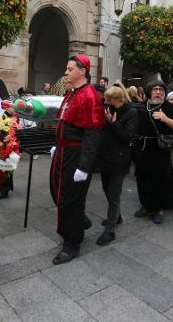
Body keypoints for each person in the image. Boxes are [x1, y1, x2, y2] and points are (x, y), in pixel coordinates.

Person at [49, 55, 104, 265]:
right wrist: (57, 144)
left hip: (76, 156)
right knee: (59, 192)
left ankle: (71, 243)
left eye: (70, 69)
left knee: (70, 200)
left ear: (82, 71)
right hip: (63, 151)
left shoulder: (89, 95)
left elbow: (92, 134)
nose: (65, 72)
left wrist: (84, 166)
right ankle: (79, 222)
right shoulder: (71, 93)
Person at [133, 80, 173, 224]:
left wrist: (165, 118)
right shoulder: (142, 106)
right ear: (149, 91)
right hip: (142, 148)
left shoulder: (169, 108)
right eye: (155, 89)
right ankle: (145, 205)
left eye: (161, 89)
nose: (158, 92)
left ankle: (157, 209)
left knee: (159, 180)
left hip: (160, 149)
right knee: (142, 178)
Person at [95, 82, 138, 246]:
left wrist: (113, 123)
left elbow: (128, 137)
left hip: (120, 159)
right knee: (107, 189)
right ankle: (117, 216)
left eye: (109, 101)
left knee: (113, 194)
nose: (106, 103)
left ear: (118, 100)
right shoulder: (108, 109)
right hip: (105, 157)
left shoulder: (131, 112)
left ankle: (110, 231)